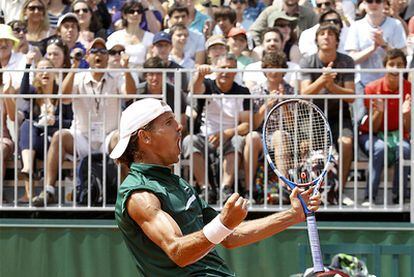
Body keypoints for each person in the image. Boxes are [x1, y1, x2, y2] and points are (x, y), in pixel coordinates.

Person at [110, 97, 321, 276]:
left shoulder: (177, 183)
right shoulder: (140, 195)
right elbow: (178, 251)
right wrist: (222, 223)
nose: (179, 126)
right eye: (168, 122)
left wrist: (293, 215)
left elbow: (230, 236)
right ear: (145, 137)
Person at [31, 38, 136, 206]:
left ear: (108, 57)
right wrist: (74, 67)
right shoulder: (78, 77)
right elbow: (63, 98)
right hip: (81, 137)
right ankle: (48, 190)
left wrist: (126, 69)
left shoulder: (116, 77)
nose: (99, 55)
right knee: (59, 136)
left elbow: (130, 94)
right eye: (94, 51)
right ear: (87, 57)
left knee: (121, 139)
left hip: (108, 137)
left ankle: (125, 194)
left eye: (103, 51)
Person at [300, 24, 355, 206]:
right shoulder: (308, 61)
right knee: (315, 151)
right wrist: (323, 80)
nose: (326, 37)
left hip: (340, 115)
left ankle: (340, 190)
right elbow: (304, 94)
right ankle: (318, 192)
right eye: (322, 34)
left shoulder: (346, 61)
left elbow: (351, 97)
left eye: (331, 34)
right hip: (313, 116)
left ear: (337, 41)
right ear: (316, 40)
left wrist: (332, 88)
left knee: (346, 144)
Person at [183, 54, 251, 203]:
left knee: (238, 141)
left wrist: (227, 133)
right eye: (222, 68)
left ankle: (225, 189)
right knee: (189, 141)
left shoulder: (243, 91)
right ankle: (205, 189)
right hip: (204, 137)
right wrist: (200, 75)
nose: (226, 72)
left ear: (235, 72)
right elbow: (193, 90)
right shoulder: (207, 84)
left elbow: (246, 125)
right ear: (215, 69)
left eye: (230, 68)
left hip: (230, 137)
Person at [358, 49, 411, 206]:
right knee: (380, 148)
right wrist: (379, 112)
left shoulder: (409, 88)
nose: (395, 68)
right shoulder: (371, 88)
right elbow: (372, 128)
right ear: (385, 66)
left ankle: (400, 196)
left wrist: (406, 113)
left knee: (405, 149)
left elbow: (407, 127)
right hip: (371, 134)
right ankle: (369, 197)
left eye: (399, 65)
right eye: (391, 64)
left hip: (397, 133)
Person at [18, 57, 73, 203]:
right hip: (35, 141)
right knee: (27, 125)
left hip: (53, 144)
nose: (44, 72)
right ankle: (28, 169)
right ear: (36, 75)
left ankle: (31, 176)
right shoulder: (34, 93)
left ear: (55, 73)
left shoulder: (62, 94)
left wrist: (55, 121)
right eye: (40, 70)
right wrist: (28, 65)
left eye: (48, 69)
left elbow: (71, 122)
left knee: (28, 129)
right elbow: (23, 91)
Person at [243, 51, 294, 201]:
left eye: (277, 67)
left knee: (279, 135)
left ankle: (283, 188)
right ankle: (248, 190)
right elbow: (254, 124)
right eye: (270, 67)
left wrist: (284, 103)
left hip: (284, 136)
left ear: (283, 70)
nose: (273, 71)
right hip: (261, 134)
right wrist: (266, 106)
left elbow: (292, 126)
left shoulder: (290, 91)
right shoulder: (256, 91)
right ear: (264, 70)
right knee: (251, 137)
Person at [107, 1, 155, 69]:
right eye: (131, 11)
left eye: (139, 11)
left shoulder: (151, 37)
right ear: (124, 15)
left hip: (142, 76)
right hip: (120, 75)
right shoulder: (115, 37)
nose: (136, 14)